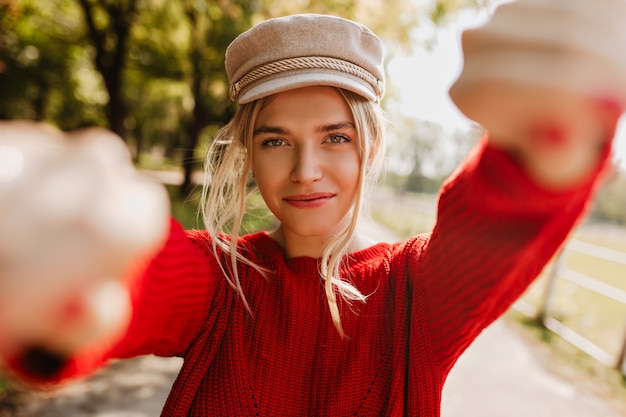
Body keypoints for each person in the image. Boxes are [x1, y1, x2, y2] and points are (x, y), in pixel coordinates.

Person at [1, 2, 625, 416]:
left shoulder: (416, 295)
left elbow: (496, 219)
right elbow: (142, 275)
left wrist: (548, 135)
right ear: (248, 150)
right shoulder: (220, 284)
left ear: (371, 146)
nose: (305, 171)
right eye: (276, 141)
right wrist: (62, 258)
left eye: (335, 137)